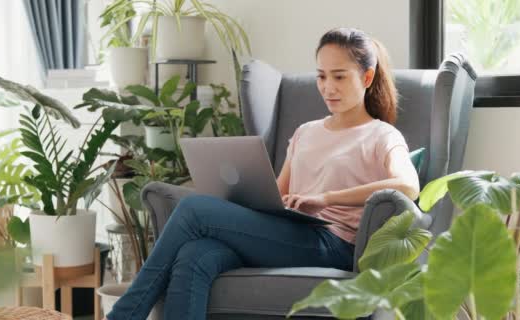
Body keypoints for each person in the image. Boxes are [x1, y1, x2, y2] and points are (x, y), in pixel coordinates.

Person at [105, 27, 420, 320]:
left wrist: (325, 198)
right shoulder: (306, 132)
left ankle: (123, 315)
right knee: (195, 254)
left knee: (192, 209)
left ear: (366, 77)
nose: (328, 87)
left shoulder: (381, 135)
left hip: (334, 244)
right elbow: (277, 194)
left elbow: (408, 186)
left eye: (339, 76)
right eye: (321, 76)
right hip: (291, 232)